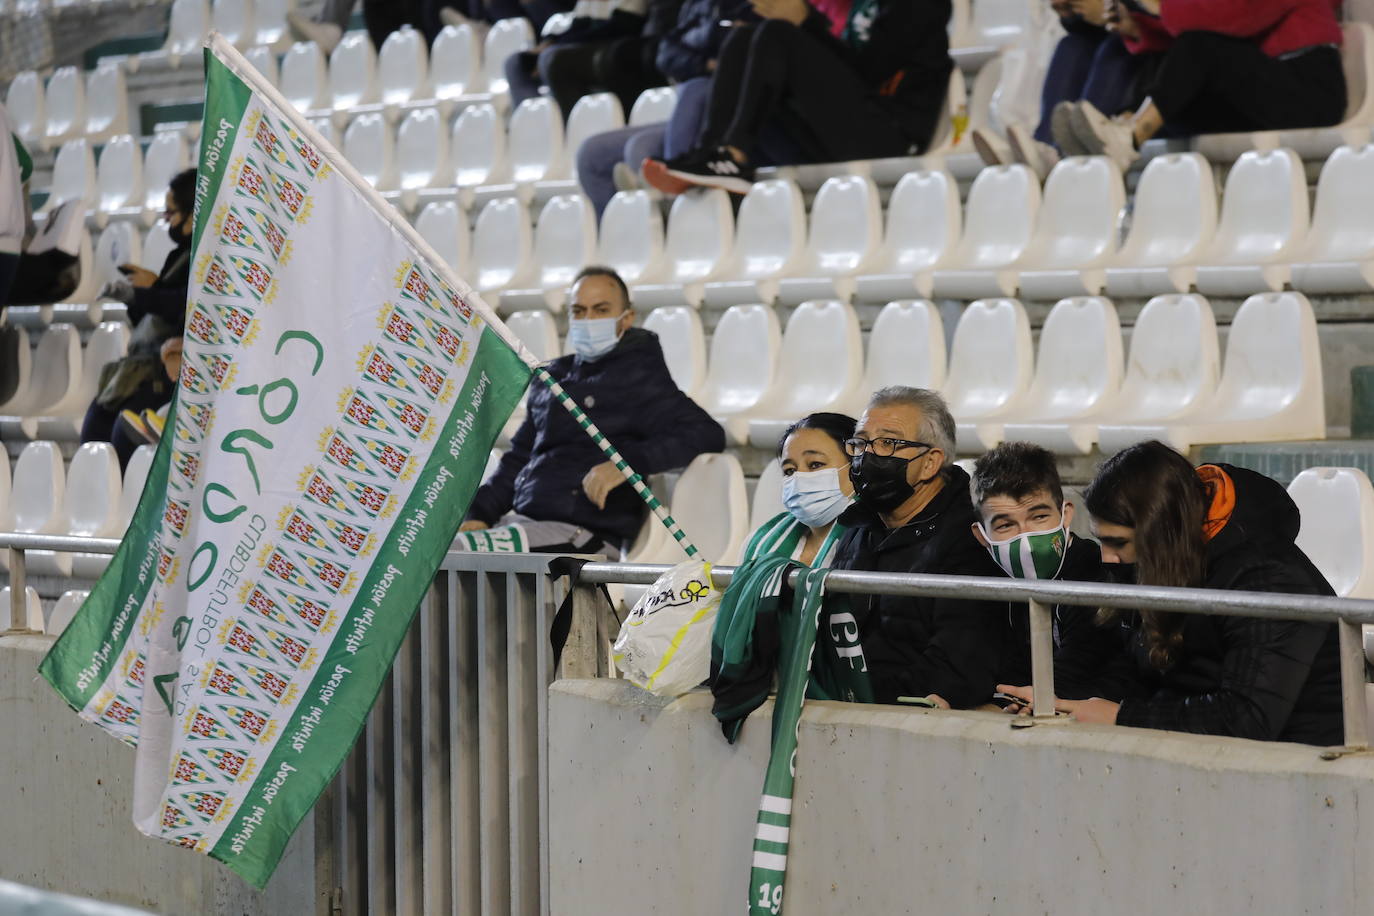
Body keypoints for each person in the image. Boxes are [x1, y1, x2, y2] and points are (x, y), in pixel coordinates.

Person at [1003, 441, 1343, 745]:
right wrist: (1062, 699)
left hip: (1300, 764)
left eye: (1118, 542)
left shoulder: (1268, 578)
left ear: (1161, 533)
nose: (1106, 557)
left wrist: (1120, 717)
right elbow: (1137, 669)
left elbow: (1246, 717)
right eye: (1100, 539)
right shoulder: (1157, 564)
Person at [459, 266, 725, 557]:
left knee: (462, 552)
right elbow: (519, 458)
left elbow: (706, 433)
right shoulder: (552, 376)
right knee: (443, 549)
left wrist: (625, 464)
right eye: (579, 311)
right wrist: (480, 513)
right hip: (526, 525)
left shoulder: (639, 377)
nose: (588, 320)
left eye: (600, 310)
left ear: (627, 317)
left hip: (583, 536)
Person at [641, 0, 953, 194]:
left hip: (891, 136)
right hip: (850, 127)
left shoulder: (919, 5)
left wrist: (806, 23)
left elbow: (867, 74)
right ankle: (713, 153)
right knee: (745, 36)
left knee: (777, 34)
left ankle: (734, 155)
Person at [827, 386, 1009, 709]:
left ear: (930, 463)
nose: (868, 454)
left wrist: (868, 703)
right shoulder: (856, 528)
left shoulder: (969, 537)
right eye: (861, 442)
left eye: (887, 443)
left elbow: (958, 666)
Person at [1054, 0, 1345, 171]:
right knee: (1180, 95)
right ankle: (1103, 142)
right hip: (1262, 89)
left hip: (1306, 87)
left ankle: (1129, 137)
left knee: (1198, 48)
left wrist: (1152, 4)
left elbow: (1232, 19)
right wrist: (1136, 26)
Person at [969, 441, 1135, 703]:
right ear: (982, 536)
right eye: (1005, 525)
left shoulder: (1095, 569)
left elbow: (1083, 663)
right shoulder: (991, 585)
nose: (1026, 539)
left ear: (1065, 515)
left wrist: (1025, 699)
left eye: (1039, 517)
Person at [973, 0, 1170, 179]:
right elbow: (1086, 30)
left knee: (1115, 47)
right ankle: (1046, 145)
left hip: (1162, 59)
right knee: (1072, 46)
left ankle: (1081, 142)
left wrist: (1115, 10)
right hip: (1127, 42)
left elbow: (1176, 18)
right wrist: (1071, 11)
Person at [81, 168, 195, 468]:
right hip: (144, 365)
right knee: (95, 422)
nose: (165, 220)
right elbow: (154, 314)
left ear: (193, 215)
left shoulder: (207, 257)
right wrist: (142, 292)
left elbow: (182, 306)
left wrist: (143, 293)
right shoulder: (179, 255)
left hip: (167, 373)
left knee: (122, 429)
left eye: (170, 213)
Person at [503, 0, 672, 119]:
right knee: (515, 63)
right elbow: (578, 24)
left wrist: (556, 45)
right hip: (586, 42)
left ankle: (571, 128)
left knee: (554, 60)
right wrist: (551, 41)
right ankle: (534, 127)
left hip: (612, 43)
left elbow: (623, 26)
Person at [742, 412, 857, 567]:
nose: (799, 477)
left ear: (856, 467)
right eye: (790, 470)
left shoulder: (871, 543)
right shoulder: (759, 543)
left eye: (815, 464)